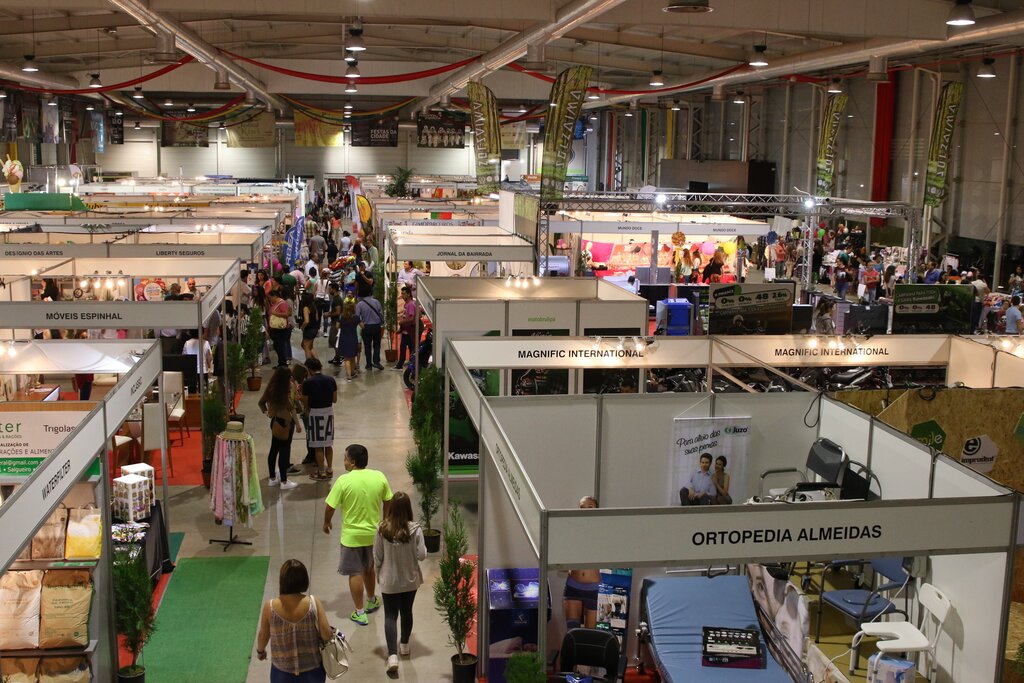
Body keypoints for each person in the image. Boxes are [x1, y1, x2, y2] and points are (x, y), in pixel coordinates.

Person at [324, 444, 394, 626]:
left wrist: (326, 522)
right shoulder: (379, 477)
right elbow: (388, 499)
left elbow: (330, 506)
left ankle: (360, 612)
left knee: (355, 572)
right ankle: (371, 599)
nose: (344, 461)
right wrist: (385, 519)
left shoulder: (343, 481)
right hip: (373, 535)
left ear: (353, 462)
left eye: (345, 458)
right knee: (369, 569)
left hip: (351, 537)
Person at [373, 491, 426, 673]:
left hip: (389, 581)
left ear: (391, 508)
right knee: (406, 611)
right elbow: (422, 555)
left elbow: (377, 556)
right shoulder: (415, 529)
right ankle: (404, 645)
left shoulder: (382, 529)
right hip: (410, 580)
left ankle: (392, 656)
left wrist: (378, 574)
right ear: (408, 508)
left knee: (390, 615)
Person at [256, 559, 333, 683]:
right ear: (304, 580)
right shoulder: (313, 603)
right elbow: (327, 635)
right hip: (312, 671)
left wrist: (260, 651)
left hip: (282, 672)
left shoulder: (270, 606)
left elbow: (263, 635)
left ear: (282, 580)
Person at [259, 367, 303, 490]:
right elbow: (292, 409)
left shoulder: (271, 388)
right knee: (284, 451)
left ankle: (272, 478)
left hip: (275, 422)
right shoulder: (286, 390)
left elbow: (261, 403)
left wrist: (267, 412)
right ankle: (284, 481)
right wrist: (298, 425)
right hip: (286, 424)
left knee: (274, 449)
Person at [563, 496, 600, 631]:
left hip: (594, 589)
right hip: (573, 586)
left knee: (590, 636)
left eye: (590, 507)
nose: (586, 510)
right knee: (573, 632)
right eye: (582, 507)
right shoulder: (572, 531)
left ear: (597, 510)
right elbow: (561, 558)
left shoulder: (602, 531)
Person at [302, 358, 337, 481]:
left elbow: (305, 403)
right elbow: (334, 399)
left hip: (315, 414)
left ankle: (321, 471)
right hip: (328, 412)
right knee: (328, 444)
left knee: (318, 446)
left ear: (309, 369)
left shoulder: (308, 383)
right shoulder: (331, 380)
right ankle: (329, 469)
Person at [357, 291, 385, 371]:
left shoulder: (360, 304)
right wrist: (381, 324)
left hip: (366, 327)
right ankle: (376, 362)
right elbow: (381, 314)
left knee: (367, 346)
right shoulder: (376, 302)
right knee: (377, 345)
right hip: (376, 326)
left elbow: (357, 316)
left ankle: (369, 364)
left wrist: (361, 324)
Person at [267, 289, 293, 369]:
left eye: (270, 298)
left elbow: (286, 314)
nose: (270, 299)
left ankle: (283, 364)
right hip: (276, 329)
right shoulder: (275, 303)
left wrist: (275, 313)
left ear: (274, 296)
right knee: (278, 346)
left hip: (281, 329)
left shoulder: (282, 303)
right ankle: (281, 363)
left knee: (280, 346)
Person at [336, 302, 361, 382]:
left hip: (343, 339)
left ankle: (349, 377)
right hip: (353, 338)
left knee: (346, 358)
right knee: (353, 357)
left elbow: (337, 326)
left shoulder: (341, 317)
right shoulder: (356, 318)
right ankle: (352, 373)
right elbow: (363, 326)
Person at [394, 287, 417, 370]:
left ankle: (409, 365)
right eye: (402, 293)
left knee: (409, 348)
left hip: (409, 331)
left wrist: (402, 322)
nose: (402, 295)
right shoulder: (407, 304)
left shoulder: (410, 304)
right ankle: (401, 364)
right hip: (406, 331)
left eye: (404, 294)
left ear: (408, 294)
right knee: (404, 348)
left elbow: (411, 318)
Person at [299, 289, 320, 362]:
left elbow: (306, 321)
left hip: (309, 329)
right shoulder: (314, 306)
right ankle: (316, 362)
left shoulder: (305, 308)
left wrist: (302, 327)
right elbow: (317, 318)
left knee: (306, 346)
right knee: (309, 346)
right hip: (315, 328)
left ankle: (309, 363)